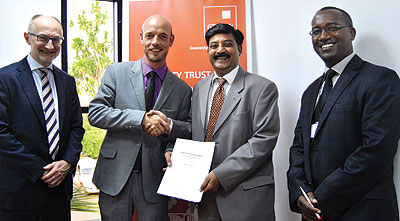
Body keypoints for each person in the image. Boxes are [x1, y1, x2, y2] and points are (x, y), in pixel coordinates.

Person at [287, 6, 400, 221]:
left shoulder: (380, 79)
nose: (323, 36)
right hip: (314, 212)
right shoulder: (310, 92)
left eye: (332, 28)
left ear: (352, 33)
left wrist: (321, 197)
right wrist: (299, 192)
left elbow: (376, 150)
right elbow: (298, 149)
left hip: (363, 210)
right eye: (316, 31)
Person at [88, 15, 191, 221]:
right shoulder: (116, 72)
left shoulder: (182, 89)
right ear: (141, 38)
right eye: (150, 35)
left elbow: (187, 129)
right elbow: (96, 113)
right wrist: (141, 119)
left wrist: (170, 146)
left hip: (154, 180)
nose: (155, 42)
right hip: (114, 177)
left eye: (162, 36)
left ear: (171, 40)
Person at [190, 23, 280, 220]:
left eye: (227, 44)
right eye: (214, 46)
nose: (220, 50)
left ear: (239, 49)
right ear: (207, 51)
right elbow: (194, 130)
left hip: (245, 197)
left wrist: (221, 174)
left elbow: (263, 140)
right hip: (204, 194)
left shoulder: (262, 88)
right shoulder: (199, 88)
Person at [0, 15, 84, 220]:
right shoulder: (5, 78)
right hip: (20, 193)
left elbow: (76, 128)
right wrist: (41, 170)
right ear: (27, 38)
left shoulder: (67, 82)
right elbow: (1, 132)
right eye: (43, 38)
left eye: (56, 40)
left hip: (58, 195)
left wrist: (67, 163)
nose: (50, 45)